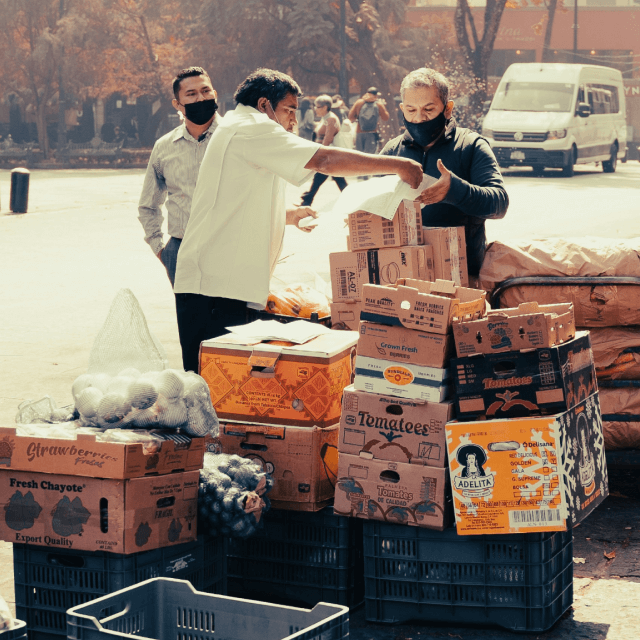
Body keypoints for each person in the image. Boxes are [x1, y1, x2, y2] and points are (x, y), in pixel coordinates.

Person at [173, 68, 423, 373]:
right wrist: (397, 165)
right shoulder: (251, 127)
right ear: (264, 104)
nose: (293, 120)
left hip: (219, 283)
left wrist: (287, 216)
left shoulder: (240, 127)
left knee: (222, 387)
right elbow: (325, 160)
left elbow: (233, 198)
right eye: (289, 110)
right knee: (211, 386)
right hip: (214, 289)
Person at [379, 67, 509, 281]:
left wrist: (455, 190)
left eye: (428, 109)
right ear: (401, 108)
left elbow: (499, 203)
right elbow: (374, 202)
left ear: (447, 109)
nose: (419, 119)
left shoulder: (471, 146)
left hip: (461, 273)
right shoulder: (393, 151)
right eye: (411, 111)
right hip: (402, 275)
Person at [138, 66, 220, 287]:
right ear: (178, 104)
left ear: (215, 94)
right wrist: (162, 251)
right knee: (190, 321)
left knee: (233, 321)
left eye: (205, 91)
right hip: (180, 252)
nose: (201, 98)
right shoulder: (164, 147)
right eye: (191, 94)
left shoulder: (235, 137)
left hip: (229, 249)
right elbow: (148, 205)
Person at [299, 94, 348, 207]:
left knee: (323, 178)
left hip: (330, 155)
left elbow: (328, 138)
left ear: (325, 107)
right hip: (328, 155)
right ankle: (307, 199)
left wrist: (320, 152)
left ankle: (307, 199)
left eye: (317, 106)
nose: (315, 109)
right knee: (336, 180)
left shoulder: (330, 119)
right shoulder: (325, 118)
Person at [348, 86, 390, 155]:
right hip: (372, 133)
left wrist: (358, 115)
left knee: (359, 156)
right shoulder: (378, 104)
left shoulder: (359, 103)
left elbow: (350, 117)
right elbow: (386, 118)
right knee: (369, 157)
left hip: (359, 132)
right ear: (376, 95)